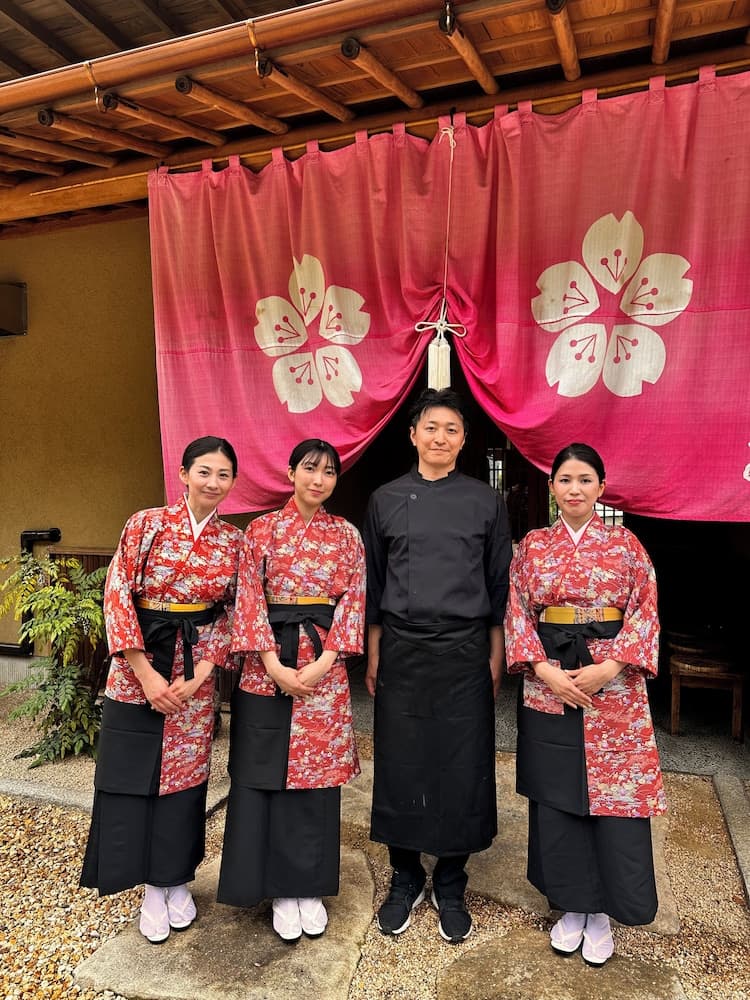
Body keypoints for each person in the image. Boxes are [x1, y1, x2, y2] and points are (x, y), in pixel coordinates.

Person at [504, 442, 666, 966]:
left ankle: (603, 914)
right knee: (557, 796)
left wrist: (610, 667)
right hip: (550, 681)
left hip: (612, 686)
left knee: (615, 798)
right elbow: (517, 614)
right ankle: (571, 906)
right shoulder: (531, 547)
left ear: (600, 487)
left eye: (584, 480)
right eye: (564, 480)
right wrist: (546, 670)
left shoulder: (627, 547)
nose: (574, 489)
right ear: (552, 488)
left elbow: (645, 612)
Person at [363, 387, 512, 943]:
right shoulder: (384, 498)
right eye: (432, 427)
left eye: (452, 429)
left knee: (462, 762)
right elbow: (375, 583)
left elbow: (499, 582)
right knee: (401, 759)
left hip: (464, 647)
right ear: (413, 434)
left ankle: (451, 879)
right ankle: (404, 874)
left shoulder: (484, 501)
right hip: (401, 646)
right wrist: (375, 652)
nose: (440, 437)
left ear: (463, 440)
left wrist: (496, 652)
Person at [80, 436, 242, 944]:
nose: (214, 483)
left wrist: (201, 674)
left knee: (185, 781)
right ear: (183, 473)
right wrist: (145, 674)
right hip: (137, 668)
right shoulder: (145, 524)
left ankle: (175, 879)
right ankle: (150, 888)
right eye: (205, 472)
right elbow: (118, 595)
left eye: (224, 475)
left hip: (194, 670)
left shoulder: (233, 542)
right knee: (133, 776)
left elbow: (235, 612)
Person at [217, 438, 365, 942]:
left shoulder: (345, 535)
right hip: (267, 666)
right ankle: (278, 888)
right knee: (266, 776)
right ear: (290, 472)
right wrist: (272, 665)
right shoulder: (259, 530)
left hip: (324, 663)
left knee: (316, 781)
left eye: (328, 472)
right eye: (309, 469)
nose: (318, 480)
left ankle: (309, 886)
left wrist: (326, 659)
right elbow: (248, 601)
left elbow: (353, 601)